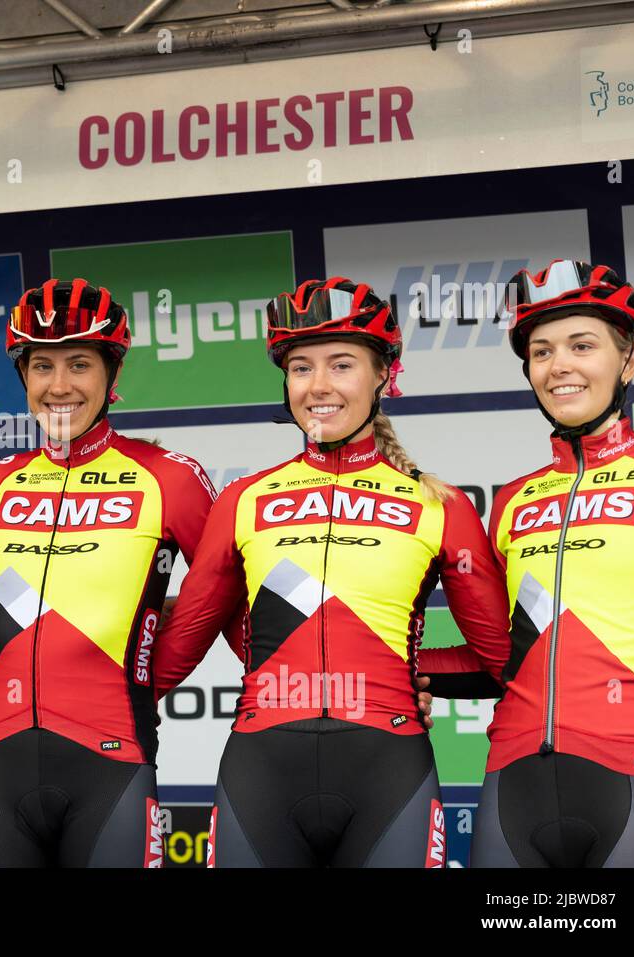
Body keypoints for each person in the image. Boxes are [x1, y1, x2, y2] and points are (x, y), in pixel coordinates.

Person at [151, 277, 512, 867]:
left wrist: (412, 675)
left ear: (383, 376)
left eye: (341, 365)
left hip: (389, 768)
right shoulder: (243, 499)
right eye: (300, 368)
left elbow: (503, 661)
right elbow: (180, 645)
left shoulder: (442, 506)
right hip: (260, 769)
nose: (318, 386)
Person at [0, 278, 219, 868]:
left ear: (111, 374)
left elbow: (228, 600)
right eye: (41, 365)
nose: (59, 385)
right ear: (23, 377)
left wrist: (145, 676)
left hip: (110, 752)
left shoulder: (169, 477)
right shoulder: (1, 480)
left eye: (79, 363)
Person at [421, 260, 634, 867]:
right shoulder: (511, 499)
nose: (559, 366)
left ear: (629, 360)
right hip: (513, 776)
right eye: (541, 351)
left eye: (583, 346)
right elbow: (502, 659)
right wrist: (396, 672)